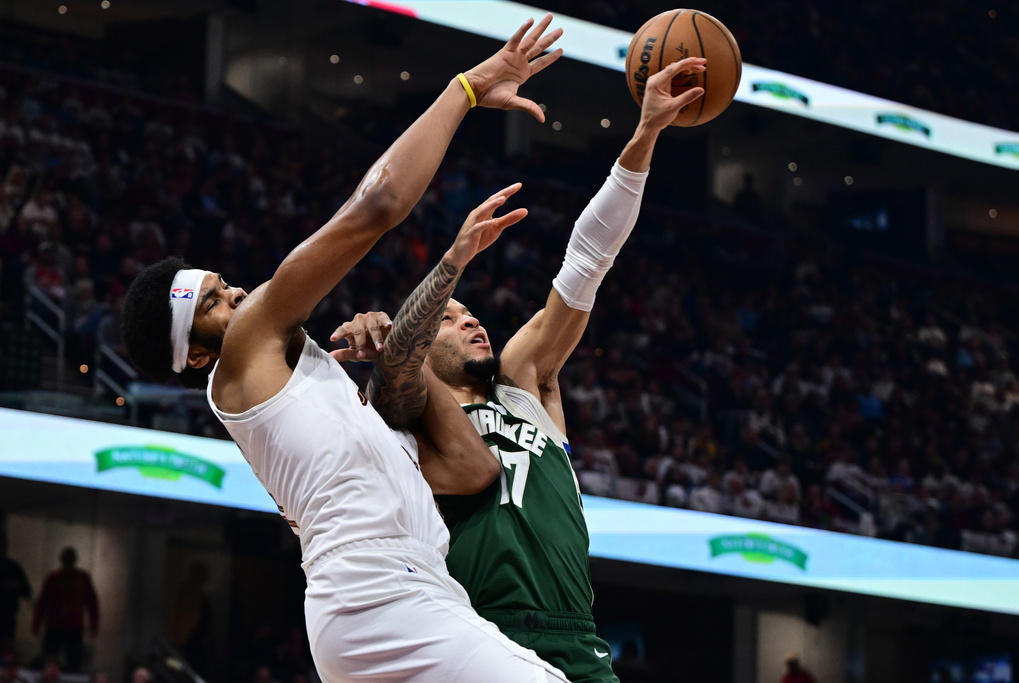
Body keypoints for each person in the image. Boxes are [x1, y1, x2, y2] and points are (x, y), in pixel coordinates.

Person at [120, 16, 569, 683]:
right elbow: (378, 204)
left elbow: (472, 471)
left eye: (222, 282)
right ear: (193, 356)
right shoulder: (246, 347)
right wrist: (466, 90)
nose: (237, 293)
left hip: (400, 593)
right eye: (215, 300)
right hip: (381, 591)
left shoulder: (295, 393)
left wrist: (392, 366)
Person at [337, 56, 708, 682]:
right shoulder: (409, 416)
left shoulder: (524, 380)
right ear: (419, 343)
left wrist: (643, 138)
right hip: (471, 630)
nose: (473, 321)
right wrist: (400, 322)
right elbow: (394, 375)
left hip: (575, 637)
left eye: (471, 313)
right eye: (452, 318)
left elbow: (588, 260)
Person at [32, 547, 98, 673]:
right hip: (55, 625)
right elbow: (43, 602)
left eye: (70, 558)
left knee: (74, 662)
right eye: (66, 558)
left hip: (73, 626)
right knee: (49, 659)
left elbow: (92, 603)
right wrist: (36, 623)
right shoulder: (53, 577)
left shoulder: (82, 578)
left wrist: (93, 625)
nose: (68, 561)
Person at [0, 531, 31, 657]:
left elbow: (27, 590)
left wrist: (16, 586)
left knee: (6, 650)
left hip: (7, 617)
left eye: (2, 543)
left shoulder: (13, 567)